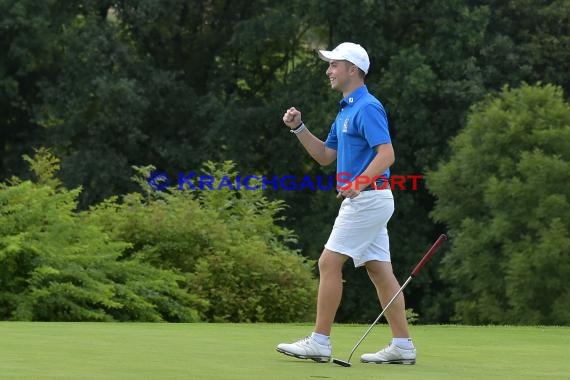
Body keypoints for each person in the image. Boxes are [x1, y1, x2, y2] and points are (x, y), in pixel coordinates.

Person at [275, 42, 416, 365]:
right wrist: (298, 128)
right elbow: (326, 155)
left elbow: (387, 154)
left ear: (353, 69)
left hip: (368, 198)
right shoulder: (346, 109)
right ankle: (403, 346)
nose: (328, 71)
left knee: (328, 263)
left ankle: (320, 342)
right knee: (379, 271)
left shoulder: (367, 107)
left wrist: (358, 182)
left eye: (334, 65)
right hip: (368, 199)